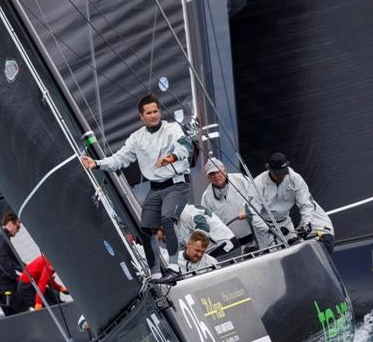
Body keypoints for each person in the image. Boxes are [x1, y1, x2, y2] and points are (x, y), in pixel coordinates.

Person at [82, 94, 192, 283]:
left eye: (156, 111)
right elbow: (119, 159)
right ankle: (156, 274)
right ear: (141, 117)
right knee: (146, 229)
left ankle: (174, 268)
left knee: (167, 219)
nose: (153, 115)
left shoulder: (172, 129)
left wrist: (171, 157)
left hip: (177, 184)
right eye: (148, 113)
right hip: (155, 188)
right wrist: (97, 163)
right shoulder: (136, 138)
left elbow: (186, 146)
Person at [247, 152, 335, 256]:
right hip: (264, 226)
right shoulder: (258, 183)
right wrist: (271, 229)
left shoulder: (295, 178)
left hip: (285, 222)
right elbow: (251, 213)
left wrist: (306, 224)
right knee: (270, 257)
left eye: (284, 172)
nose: (282, 176)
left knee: (291, 254)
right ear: (269, 169)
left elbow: (306, 204)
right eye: (278, 173)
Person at [201, 158, 256, 248]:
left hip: (254, 234)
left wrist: (247, 208)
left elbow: (255, 195)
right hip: (231, 242)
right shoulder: (206, 196)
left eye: (218, 172)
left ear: (225, 170)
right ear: (208, 177)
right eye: (211, 174)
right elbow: (208, 221)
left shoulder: (240, 179)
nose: (216, 176)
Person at [0, 211, 24, 312]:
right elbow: (1, 260)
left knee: (12, 314)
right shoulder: (2, 237)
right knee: (22, 307)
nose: (19, 230)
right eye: (18, 226)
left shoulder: (0, 238)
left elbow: (15, 262)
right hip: (3, 282)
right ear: (10, 224)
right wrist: (15, 277)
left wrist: (30, 271)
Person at [171, 203, 237, 257]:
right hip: (211, 252)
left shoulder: (187, 211)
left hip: (224, 246)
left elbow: (203, 226)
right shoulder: (175, 225)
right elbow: (182, 250)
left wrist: (193, 247)